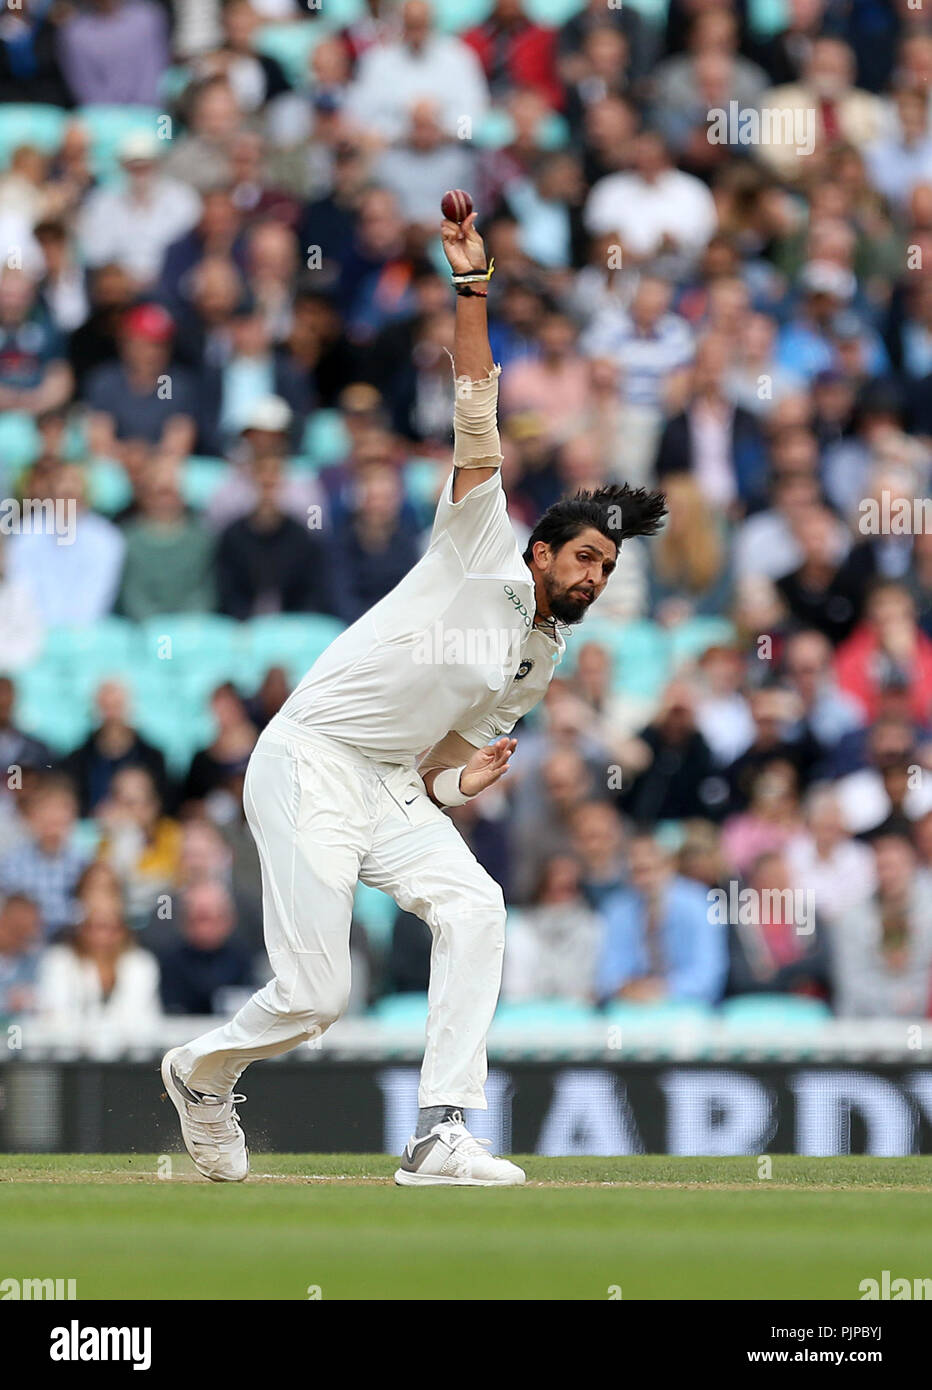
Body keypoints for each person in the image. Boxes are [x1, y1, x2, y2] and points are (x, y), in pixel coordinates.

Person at [161, 206, 666, 1187]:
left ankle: (440, 1131)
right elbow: (474, 401)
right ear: (543, 545)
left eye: (607, 569)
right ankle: (201, 1072)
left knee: (474, 902)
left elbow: (436, 766)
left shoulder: (540, 657)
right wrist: (472, 289)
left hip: (388, 782)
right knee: (316, 997)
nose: (594, 576)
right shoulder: (478, 536)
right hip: (308, 757)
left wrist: (458, 781)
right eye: (586, 556)